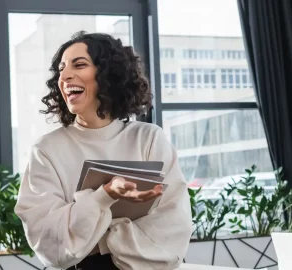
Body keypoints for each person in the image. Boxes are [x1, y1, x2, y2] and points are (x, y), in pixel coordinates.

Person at [15, 31, 192, 270]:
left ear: (108, 74)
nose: (65, 76)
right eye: (61, 69)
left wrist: (93, 237)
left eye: (79, 65)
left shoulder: (149, 138)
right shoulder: (46, 150)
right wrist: (104, 195)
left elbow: (173, 228)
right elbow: (48, 242)